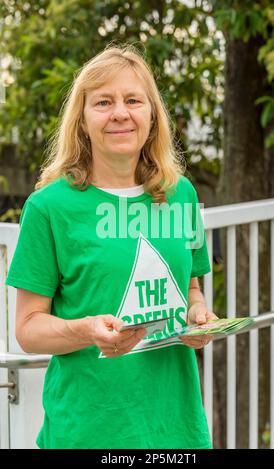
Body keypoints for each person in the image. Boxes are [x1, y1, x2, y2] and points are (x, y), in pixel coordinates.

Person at [5, 43, 217, 449]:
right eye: (103, 102)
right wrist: (85, 330)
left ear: (151, 116)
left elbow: (190, 288)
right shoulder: (48, 207)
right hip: (86, 431)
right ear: (82, 120)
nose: (120, 112)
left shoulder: (182, 196)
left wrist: (197, 315)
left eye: (133, 100)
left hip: (175, 429)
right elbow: (29, 330)